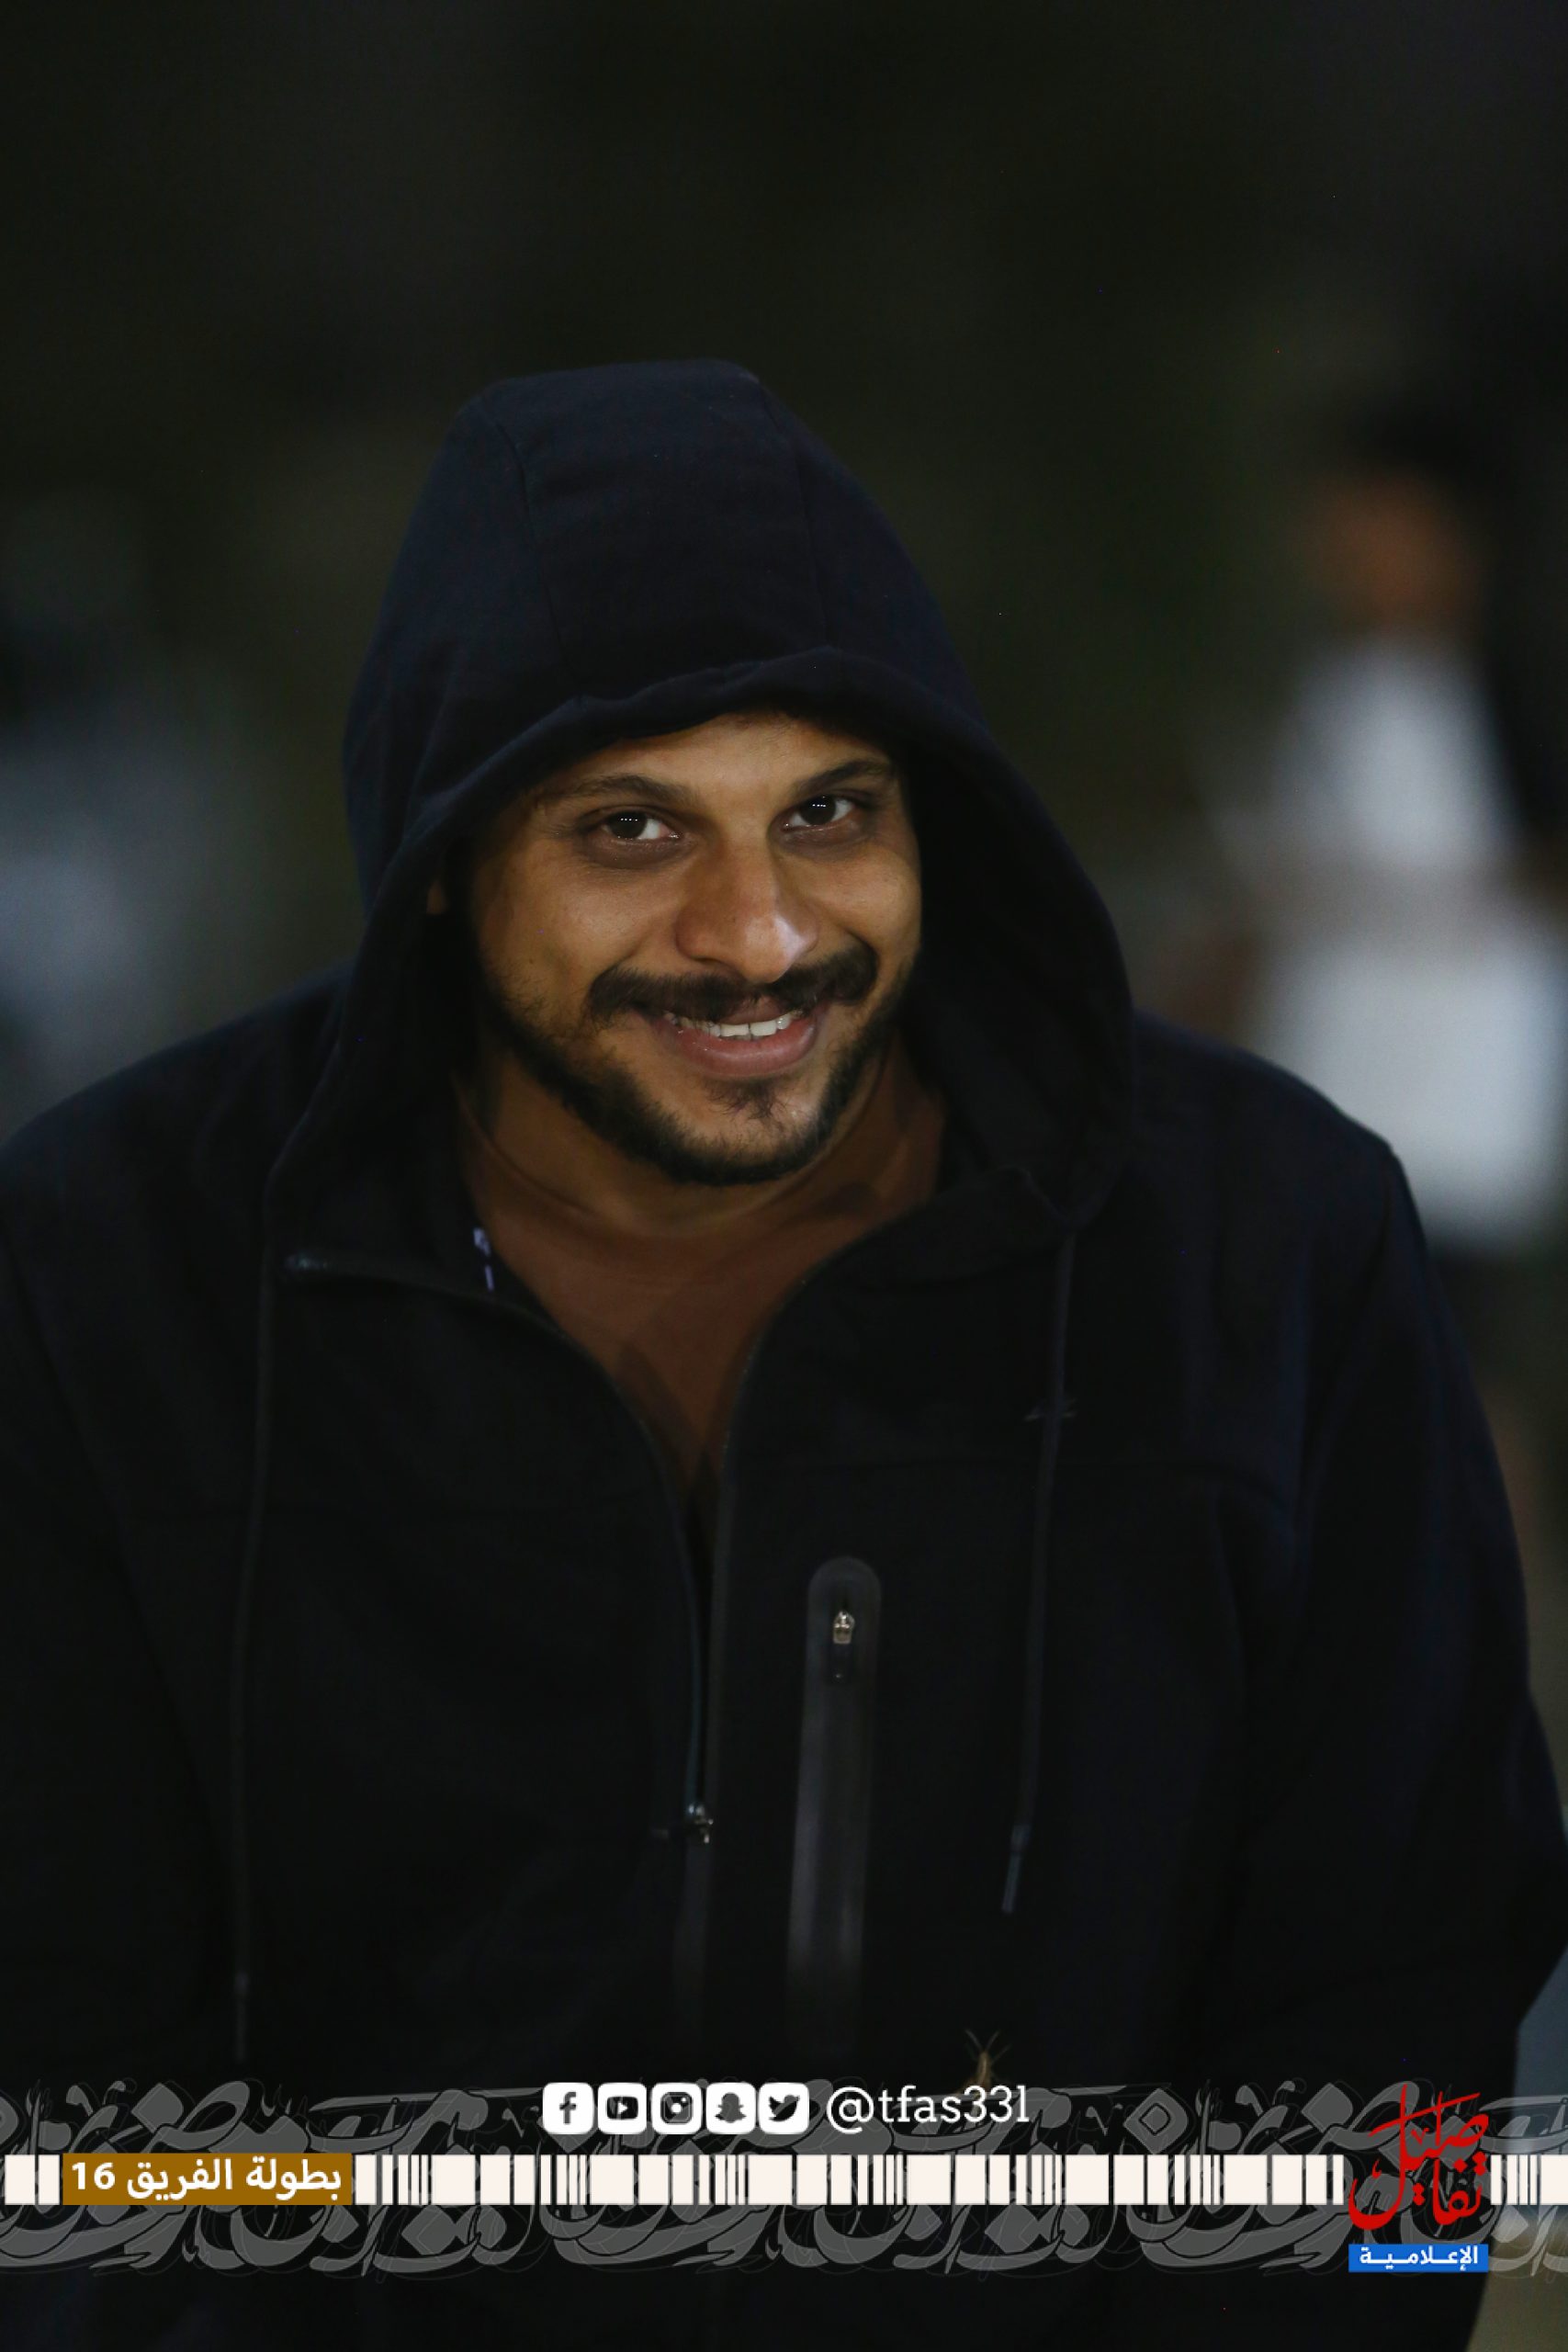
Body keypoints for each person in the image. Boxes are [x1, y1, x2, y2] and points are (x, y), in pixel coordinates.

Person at [2, 360, 1565, 2349]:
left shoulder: (1266, 1246)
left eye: (829, 813)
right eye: (631, 828)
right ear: (446, 857)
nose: (756, 934)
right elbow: (54, 2066)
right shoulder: (113, 1260)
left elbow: (1417, 1993)